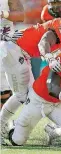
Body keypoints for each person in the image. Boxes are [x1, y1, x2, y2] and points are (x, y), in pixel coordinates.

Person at [0, 16, 61, 139]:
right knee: (22, 96)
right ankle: (2, 125)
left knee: (30, 95)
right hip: (14, 49)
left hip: (20, 51)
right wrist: (49, 57)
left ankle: (12, 124)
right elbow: (43, 42)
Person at [0, 0, 24, 145]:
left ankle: (2, 124)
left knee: (7, 88)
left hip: (7, 40)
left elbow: (21, 15)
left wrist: (4, 14)